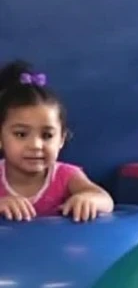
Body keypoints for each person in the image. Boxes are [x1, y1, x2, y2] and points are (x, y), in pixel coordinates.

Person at [0, 61, 114, 222]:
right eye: (21, 134)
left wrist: (87, 199)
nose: (36, 145)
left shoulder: (66, 176)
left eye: (47, 135)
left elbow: (105, 199)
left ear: (61, 139)